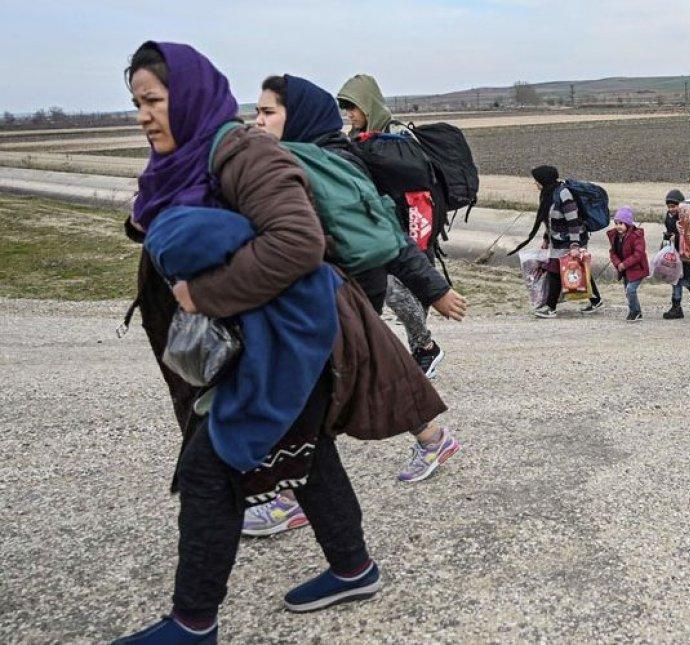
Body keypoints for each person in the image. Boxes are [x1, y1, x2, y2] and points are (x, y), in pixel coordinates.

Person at [115, 42, 448, 643]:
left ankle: (192, 624)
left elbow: (297, 244)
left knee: (209, 468)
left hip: (297, 340)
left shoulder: (244, 155)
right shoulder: (185, 160)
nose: (143, 114)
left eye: (154, 100)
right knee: (310, 454)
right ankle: (354, 568)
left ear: (187, 96)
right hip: (271, 341)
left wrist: (204, 293)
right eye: (136, 102)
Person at [244, 75, 463, 537]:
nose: (256, 122)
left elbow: (385, 237)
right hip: (335, 291)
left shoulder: (317, 165)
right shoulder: (320, 158)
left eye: (267, 113)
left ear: (297, 116)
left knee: (303, 391)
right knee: (366, 369)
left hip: (337, 292)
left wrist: (433, 289)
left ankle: (286, 501)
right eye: (257, 112)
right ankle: (432, 439)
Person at [335, 73, 448, 377]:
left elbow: (412, 187)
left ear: (368, 105)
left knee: (397, 291)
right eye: (345, 108)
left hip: (409, 229)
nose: (349, 114)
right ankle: (421, 353)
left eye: (353, 107)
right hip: (384, 228)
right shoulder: (358, 140)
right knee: (399, 291)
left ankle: (425, 349)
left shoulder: (393, 139)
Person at [519, 165, 604, 318]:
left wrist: (575, 246)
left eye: (537, 181)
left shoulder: (564, 194)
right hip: (558, 240)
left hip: (571, 239)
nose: (535, 184)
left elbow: (573, 220)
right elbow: (549, 220)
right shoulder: (549, 193)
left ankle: (550, 308)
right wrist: (546, 239)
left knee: (554, 271)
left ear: (544, 180)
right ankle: (596, 300)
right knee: (579, 269)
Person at [661, 189, 690, 319]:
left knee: (679, 279)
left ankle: (679, 306)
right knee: (679, 278)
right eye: (669, 206)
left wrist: (677, 236)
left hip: (686, 254)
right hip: (676, 253)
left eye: (673, 206)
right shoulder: (669, 217)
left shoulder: (688, 216)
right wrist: (669, 236)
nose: (671, 209)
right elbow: (670, 231)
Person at [607, 207, 649, 322]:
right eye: (616, 223)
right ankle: (636, 311)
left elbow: (638, 254)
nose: (618, 226)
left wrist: (624, 264)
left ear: (628, 223)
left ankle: (635, 311)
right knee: (628, 291)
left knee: (630, 290)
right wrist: (618, 264)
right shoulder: (615, 237)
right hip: (625, 270)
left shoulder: (636, 236)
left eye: (621, 223)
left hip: (638, 269)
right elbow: (613, 252)